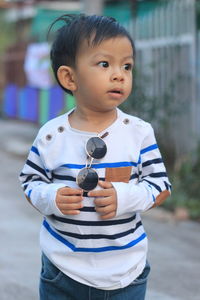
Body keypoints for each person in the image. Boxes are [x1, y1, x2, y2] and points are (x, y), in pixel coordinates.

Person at [19, 14, 171, 300]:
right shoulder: (51, 135)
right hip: (62, 270)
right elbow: (29, 182)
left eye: (127, 66)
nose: (119, 74)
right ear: (69, 77)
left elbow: (161, 186)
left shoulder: (138, 133)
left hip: (126, 271)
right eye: (105, 64)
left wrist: (124, 196)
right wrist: (51, 197)